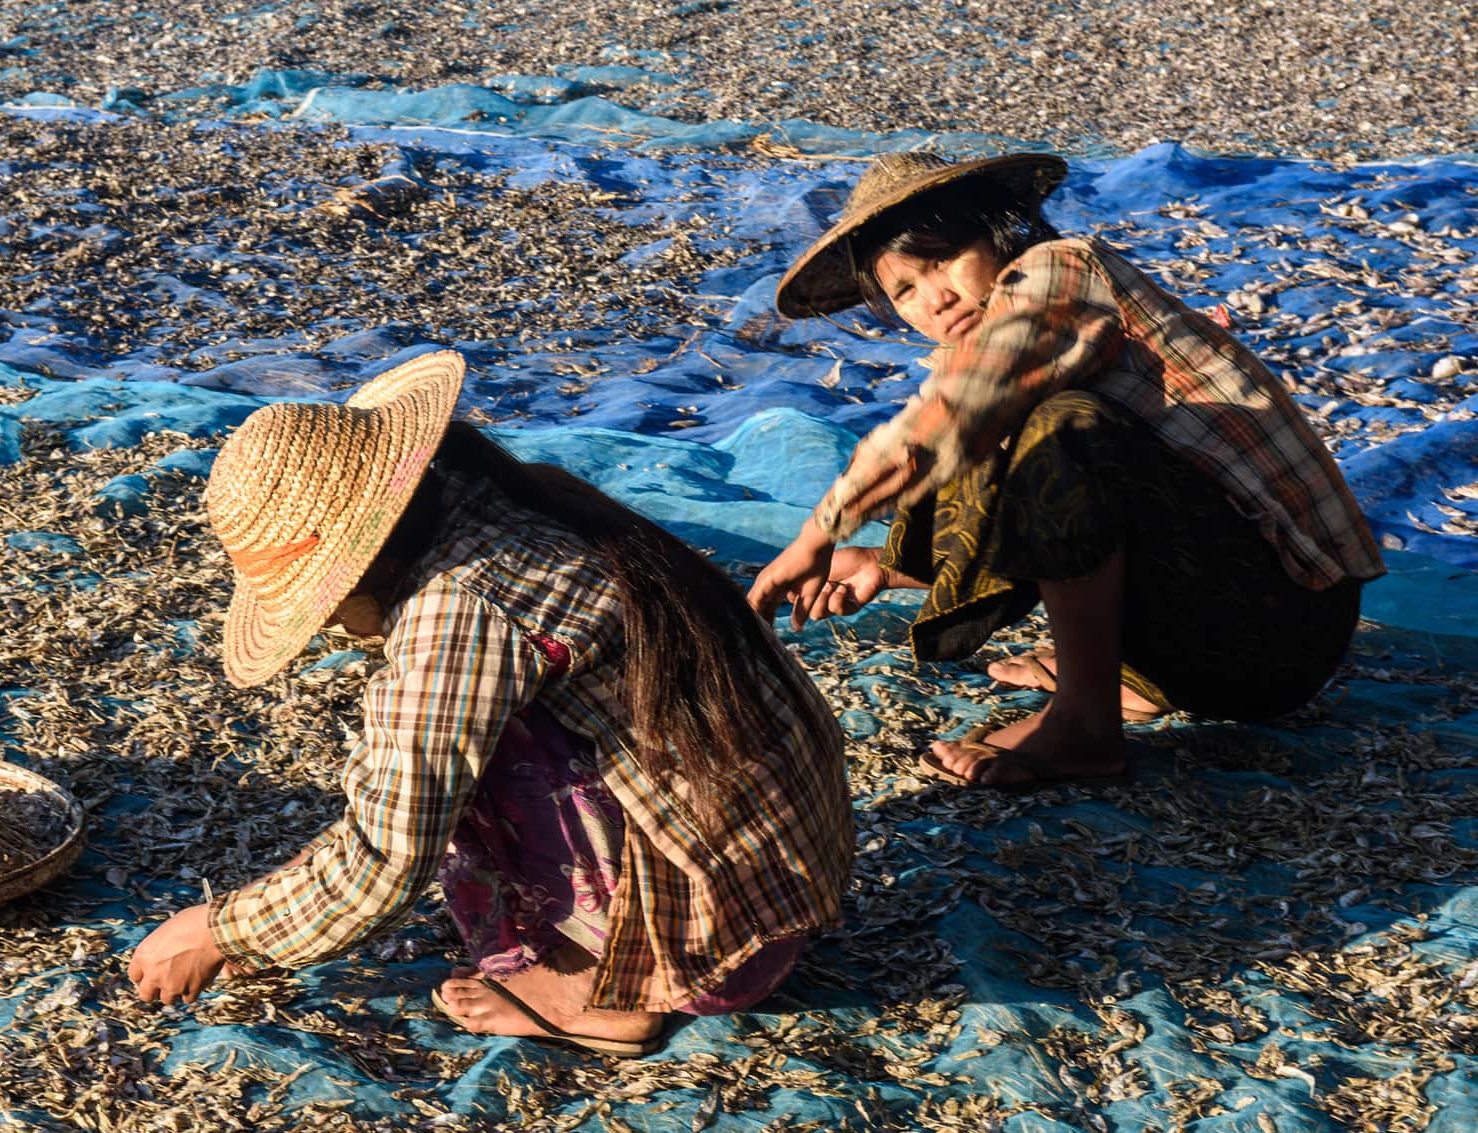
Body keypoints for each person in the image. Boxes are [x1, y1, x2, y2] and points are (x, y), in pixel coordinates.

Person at [127, 350, 853, 1055]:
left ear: (365, 558)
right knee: (444, 731)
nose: (329, 624)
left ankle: (606, 990)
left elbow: (385, 857)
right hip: (786, 871)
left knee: (445, 751)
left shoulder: (458, 615)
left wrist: (219, 928)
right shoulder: (506, 496)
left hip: (716, 941)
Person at [750, 152, 1386, 789]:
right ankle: (1120, 682)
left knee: (1058, 425)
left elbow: (953, 420)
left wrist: (816, 536)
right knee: (977, 437)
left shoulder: (1060, 268)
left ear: (997, 234)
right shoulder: (966, 359)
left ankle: (1084, 724)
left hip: (1283, 630)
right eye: (904, 291)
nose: (935, 299)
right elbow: (990, 478)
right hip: (1190, 648)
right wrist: (885, 567)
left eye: (943, 260)